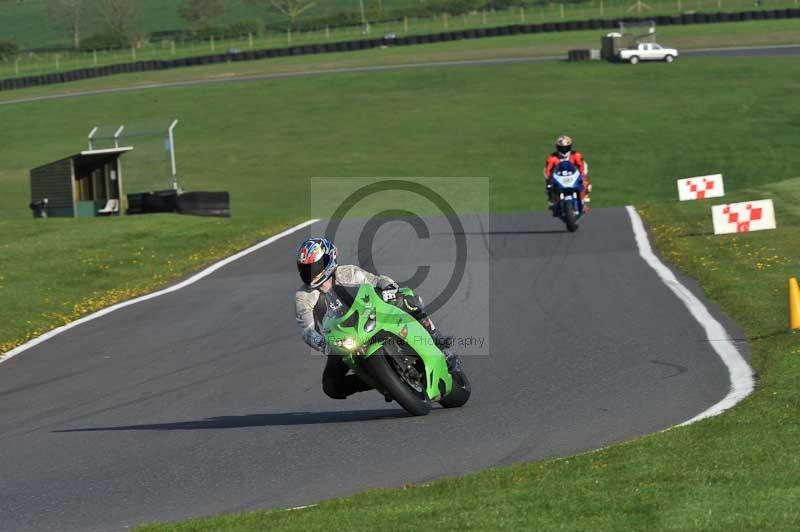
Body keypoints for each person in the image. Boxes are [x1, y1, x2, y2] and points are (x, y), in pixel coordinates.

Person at [294, 237, 456, 400]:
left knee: (406, 298)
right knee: (331, 386)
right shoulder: (303, 297)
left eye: (314, 267)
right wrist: (325, 345)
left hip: (372, 316)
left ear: (329, 259)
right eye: (305, 269)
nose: (310, 273)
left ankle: (435, 337)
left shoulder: (349, 273)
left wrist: (389, 287)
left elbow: (377, 281)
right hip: (342, 340)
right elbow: (307, 330)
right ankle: (383, 381)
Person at [543, 135, 592, 212]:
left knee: (586, 183)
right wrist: (549, 178)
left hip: (573, 176)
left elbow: (581, 166)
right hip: (559, 177)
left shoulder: (576, 155)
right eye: (561, 148)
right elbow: (547, 170)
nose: (564, 150)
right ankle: (552, 201)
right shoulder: (552, 157)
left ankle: (584, 200)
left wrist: (582, 175)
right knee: (548, 186)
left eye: (566, 148)